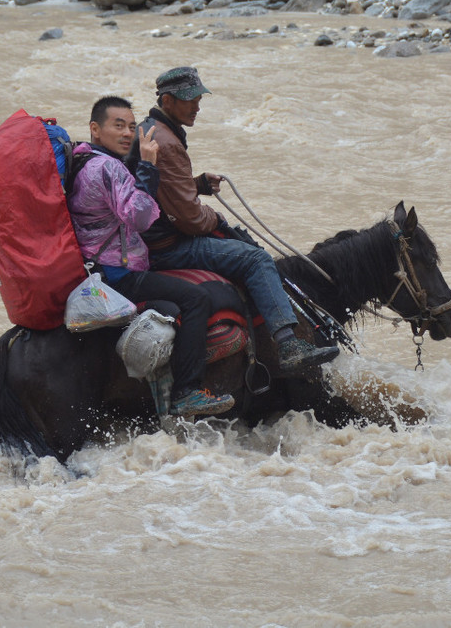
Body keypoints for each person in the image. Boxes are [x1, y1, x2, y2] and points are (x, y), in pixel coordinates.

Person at [129, 66, 338, 375]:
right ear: (168, 101)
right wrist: (216, 217)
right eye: (190, 100)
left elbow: (165, 189)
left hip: (152, 236)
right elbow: (189, 219)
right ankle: (288, 344)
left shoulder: (151, 129)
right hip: (169, 246)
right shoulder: (168, 142)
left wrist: (197, 184)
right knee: (257, 260)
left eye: (199, 98)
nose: (197, 106)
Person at [66, 95, 234, 418]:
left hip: (95, 269)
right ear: (95, 129)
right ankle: (187, 391)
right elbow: (140, 217)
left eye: (132, 126)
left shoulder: (84, 160)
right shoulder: (107, 168)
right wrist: (147, 165)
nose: (128, 133)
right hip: (118, 276)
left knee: (170, 307)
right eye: (118, 126)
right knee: (196, 300)